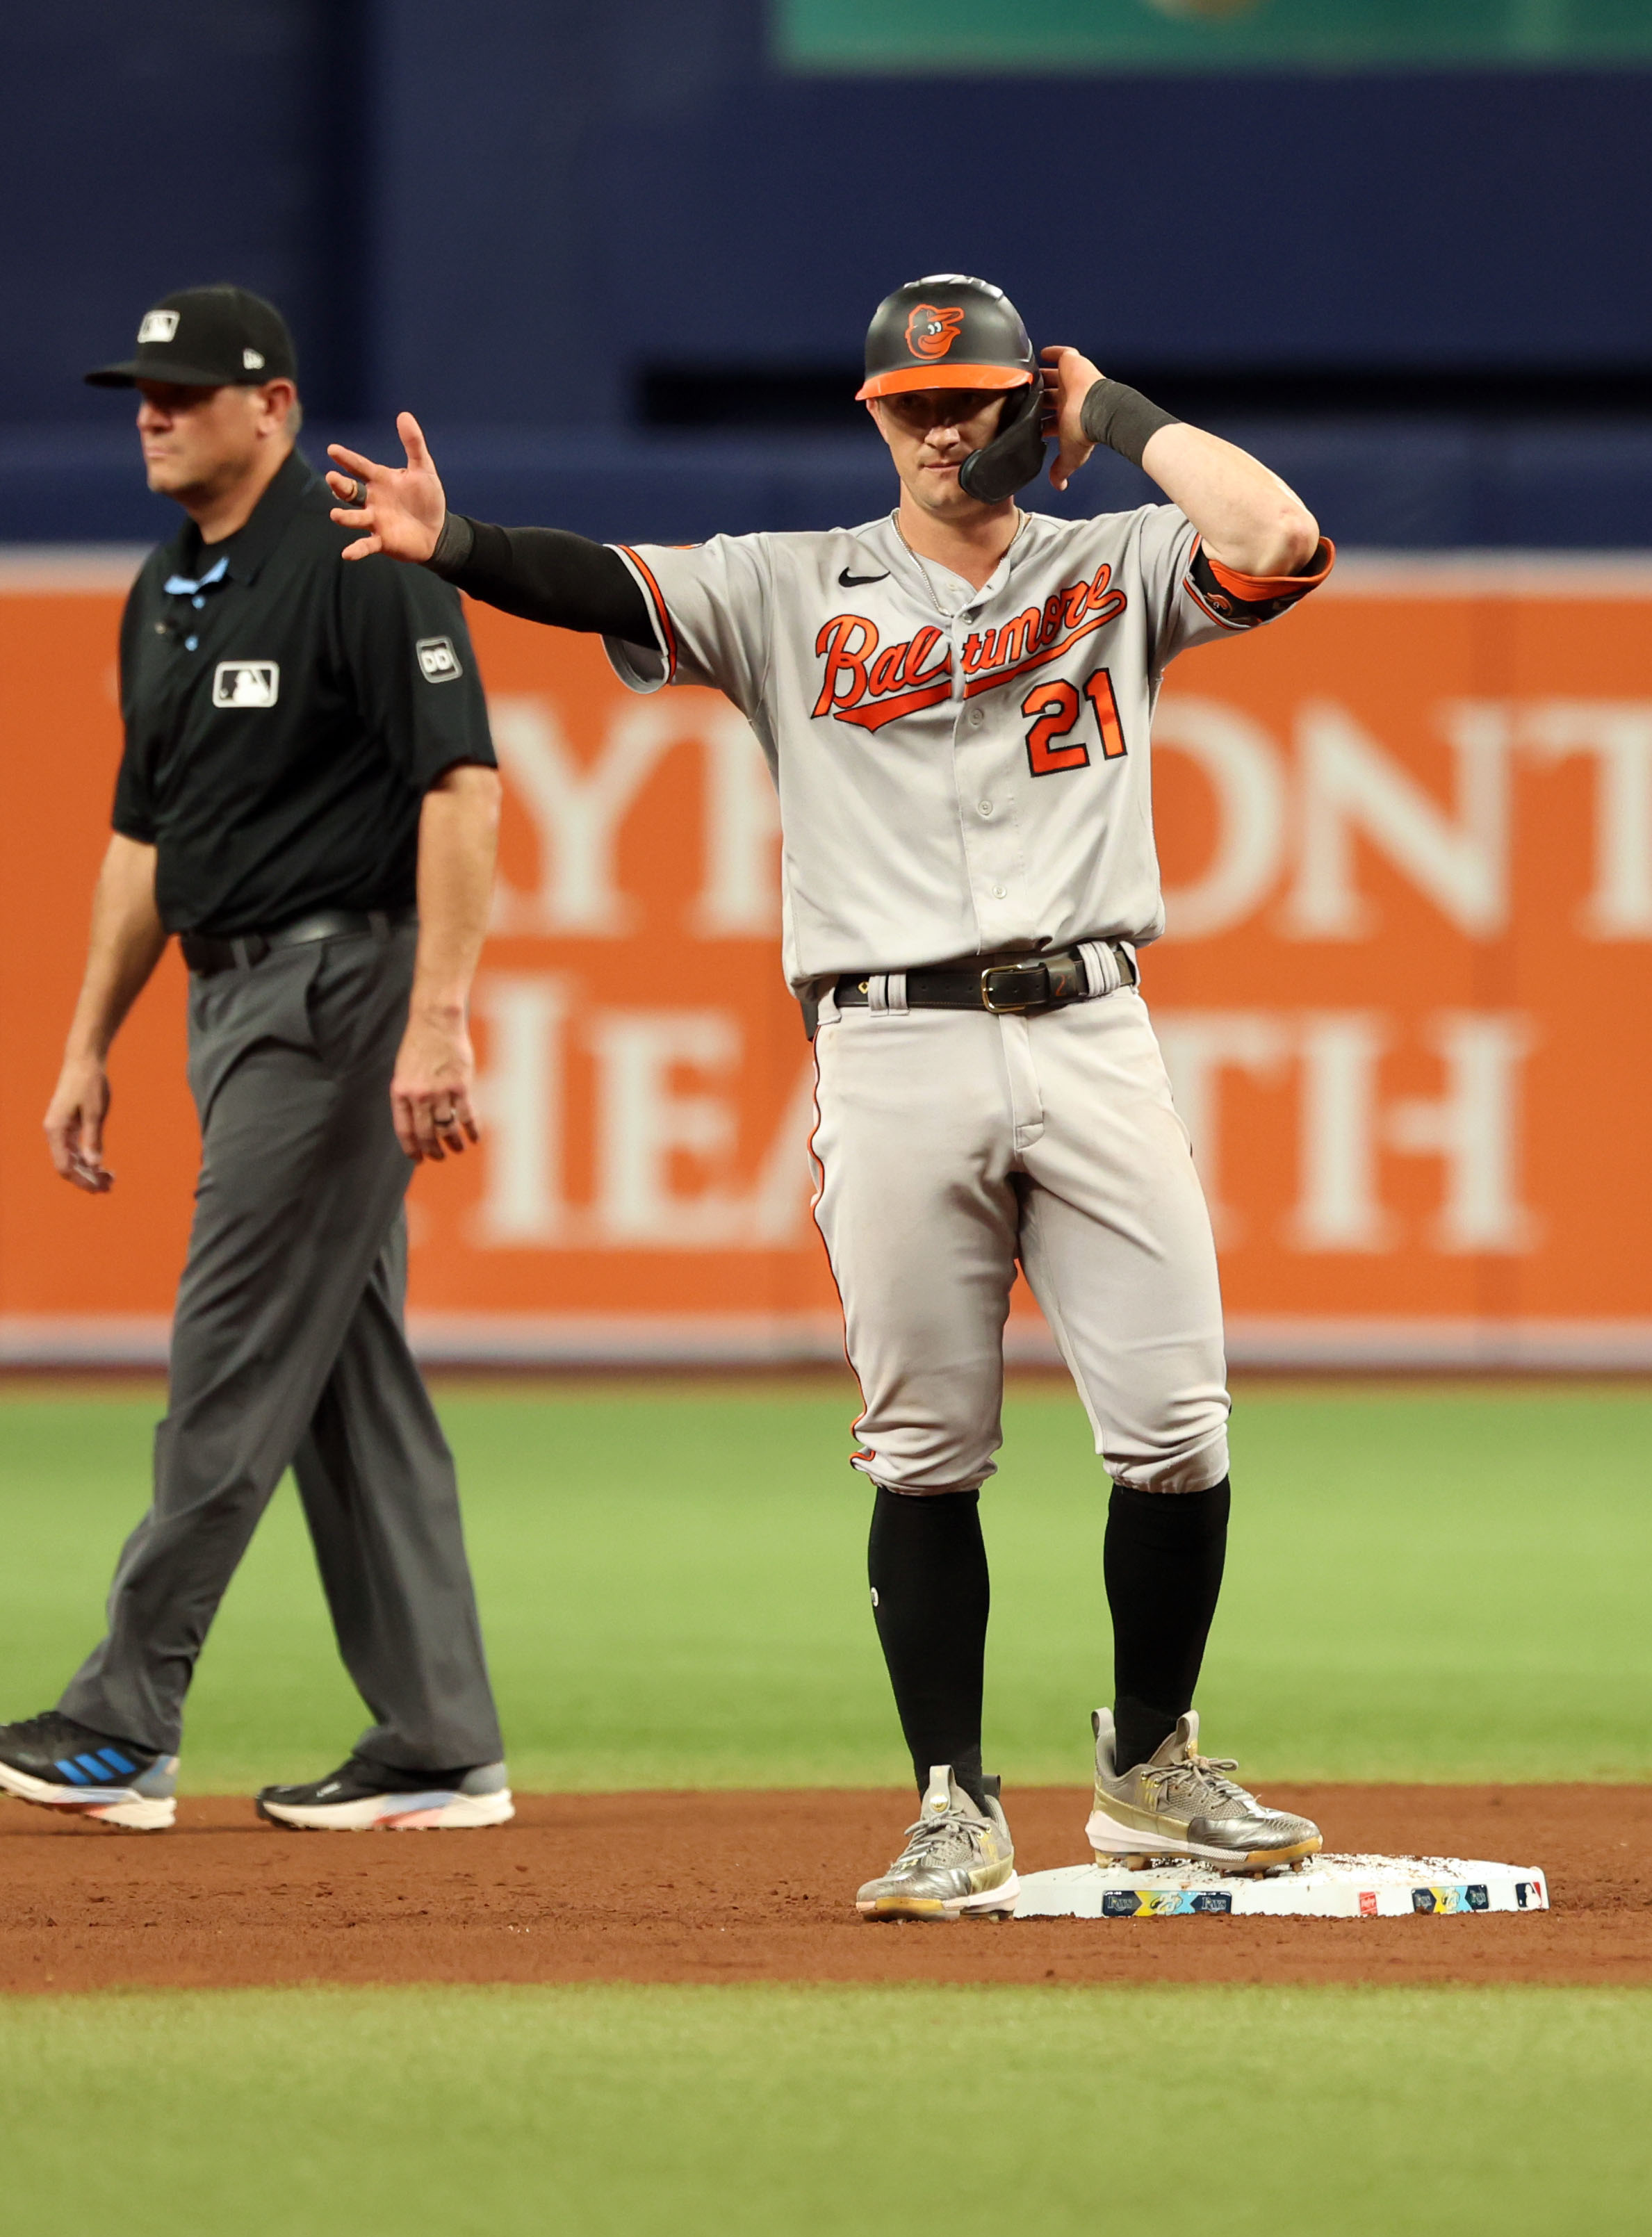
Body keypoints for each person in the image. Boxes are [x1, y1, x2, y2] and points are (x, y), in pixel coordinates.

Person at [326, 272, 1332, 1914]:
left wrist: (1110, 417)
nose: (943, 429)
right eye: (912, 406)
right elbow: (595, 578)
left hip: (1090, 1023)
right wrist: (455, 546)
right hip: (890, 1039)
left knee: (1177, 1433)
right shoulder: (787, 588)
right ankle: (952, 1802)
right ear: (873, 421)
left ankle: (1152, 1764)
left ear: (1023, 403)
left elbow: (1276, 533)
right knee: (924, 1449)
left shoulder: (1116, 562)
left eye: (974, 400)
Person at [0, 285, 512, 1835]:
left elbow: (465, 787)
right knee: (345, 1378)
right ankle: (437, 1743)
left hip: (337, 996)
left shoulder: (360, 561)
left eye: (184, 389)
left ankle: (123, 1717)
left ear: (272, 406)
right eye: (140, 392)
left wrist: (437, 1012)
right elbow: (143, 837)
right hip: (233, 1007)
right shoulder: (164, 589)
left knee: (227, 1357)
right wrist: (89, 1040)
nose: (152, 412)